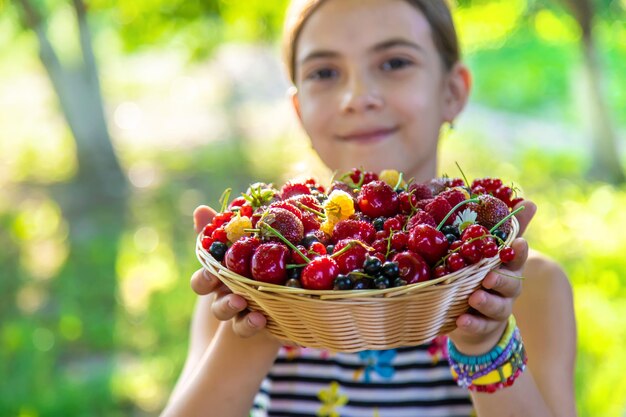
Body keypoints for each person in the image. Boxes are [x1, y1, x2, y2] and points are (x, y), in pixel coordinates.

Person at [161, 0, 577, 416]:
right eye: (324, 72)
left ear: (451, 93)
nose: (357, 97)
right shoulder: (246, 282)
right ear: (300, 111)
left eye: (394, 62)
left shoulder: (522, 287)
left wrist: (484, 344)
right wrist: (261, 315)